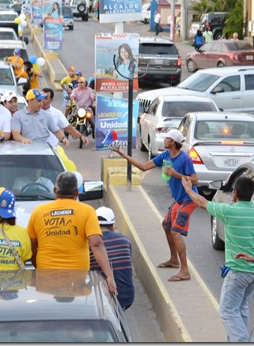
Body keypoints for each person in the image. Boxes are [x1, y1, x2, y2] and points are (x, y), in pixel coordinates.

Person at [181, 176, 254, 342]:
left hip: (238, 271)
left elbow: (201, 202)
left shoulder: (229, 211)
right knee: (241, 307)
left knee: (227, 311)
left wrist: (188, 190)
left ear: (235, 193)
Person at [110, 129, 198, 282]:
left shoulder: (184, 159)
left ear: (174, 142)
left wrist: (176, 175)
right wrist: (123, 155)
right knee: (166, 225)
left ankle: (185, 271)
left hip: (188, 199)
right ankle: (173, 259)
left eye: (168, 138)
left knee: (176, 232)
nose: (165, 140)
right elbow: (144, 167)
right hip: (178, 199)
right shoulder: (165, 155)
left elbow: (195, 180)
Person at [27, 172, 117, 295]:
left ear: (54, 190)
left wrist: (40, 269)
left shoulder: (38, 212)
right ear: (76, 193)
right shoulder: (87, 211)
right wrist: (109, 276)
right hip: (77, 281)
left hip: (46, 277)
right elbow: (96, 244)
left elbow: (32, 247)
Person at [89, 207, 135, 311]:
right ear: (112, 226)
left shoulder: (88, 244)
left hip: (99, 299)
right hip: (126, 297)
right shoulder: (125, 240)